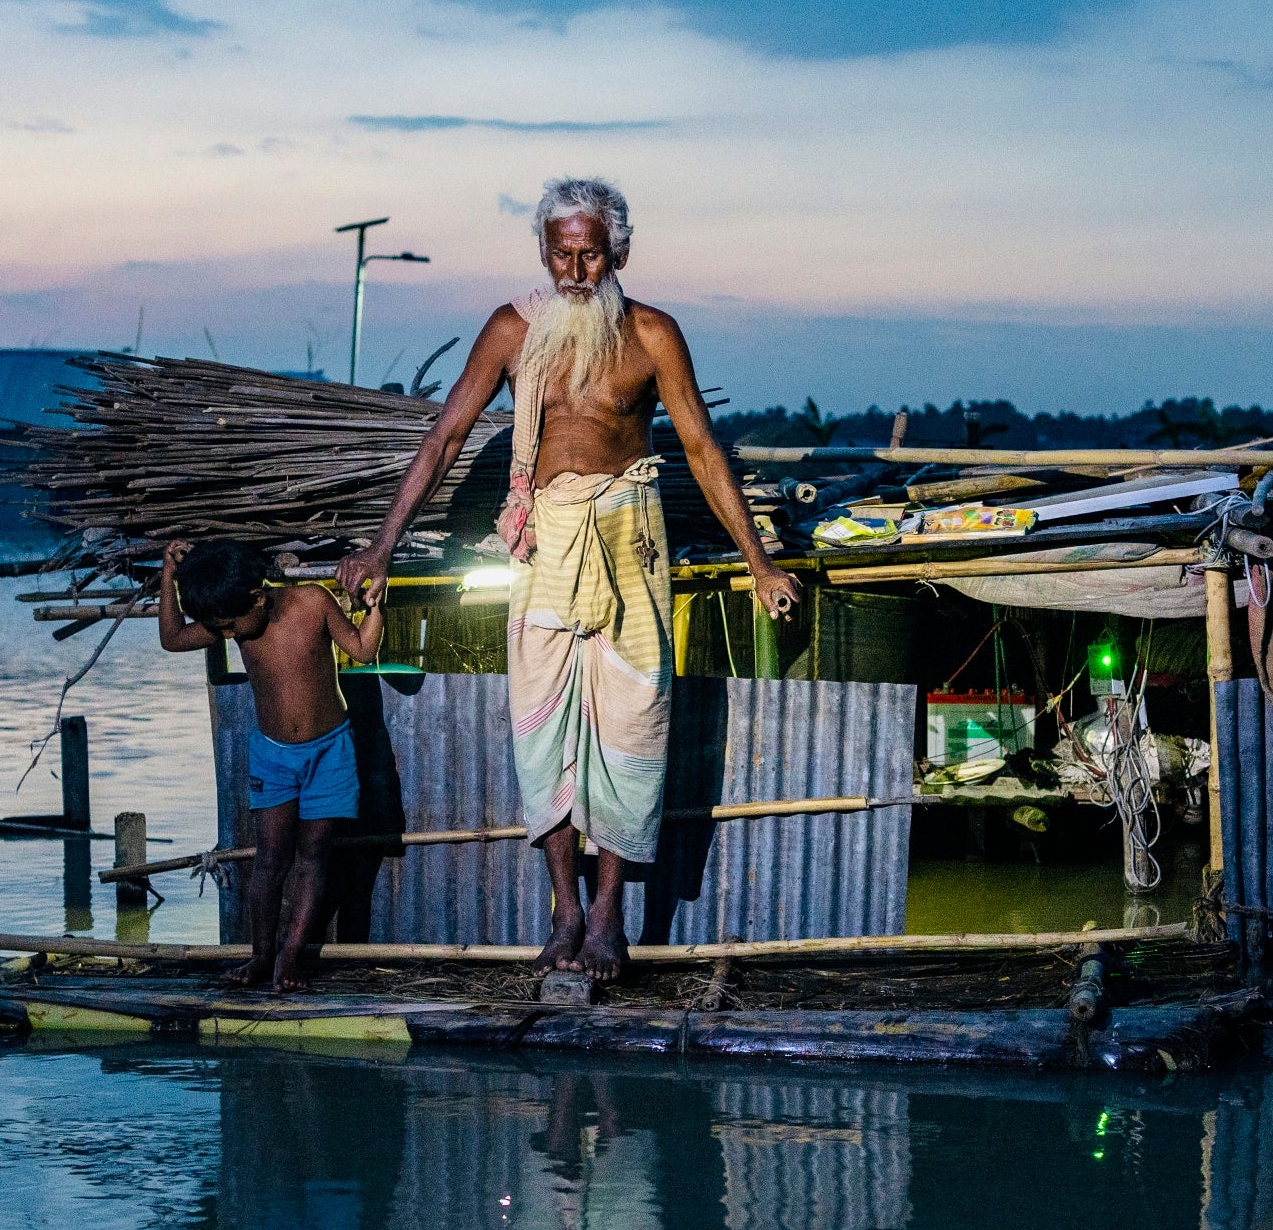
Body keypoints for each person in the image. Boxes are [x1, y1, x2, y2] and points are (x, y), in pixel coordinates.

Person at [338, 177, 803, 982]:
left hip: (631, 539)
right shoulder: (513, 330)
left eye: (591, 253)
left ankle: (611, 919)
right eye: (562, 253)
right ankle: (564, 913)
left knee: (629, 727)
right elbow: (446, 437)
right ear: (543, 252)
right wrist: (380, 548)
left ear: (619, 251)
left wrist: (759, 562)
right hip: (547, 542)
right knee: (543, 727)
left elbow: (700, 448)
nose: (577, 270)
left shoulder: (654, 334)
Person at [159, 537, 385, 992]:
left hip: (331, 752)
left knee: (314, 857)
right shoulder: (237, 620)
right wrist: (168, 575)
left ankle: (290, 956)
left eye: (228, 626)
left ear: (258, 598)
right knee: (270, 860)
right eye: (219, 628)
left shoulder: (313, 602)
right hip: (272, 756)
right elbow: (172, 638)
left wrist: (377, 605)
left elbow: (362, 650)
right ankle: (260, 956)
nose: (226, 636)